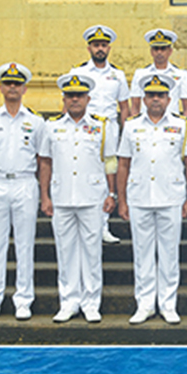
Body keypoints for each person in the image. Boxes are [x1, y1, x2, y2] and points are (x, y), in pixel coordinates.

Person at [117, 73, 187, 325]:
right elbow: (123, 164)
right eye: (151, 95)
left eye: (160, 95)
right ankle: (144, 304)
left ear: (168, 99)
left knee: (169, 254)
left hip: (171, 197)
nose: (155, 99)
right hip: (139, 196)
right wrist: (121, 200)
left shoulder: (182, 125)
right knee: (142, 253)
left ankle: (167, 304)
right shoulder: (131, 125)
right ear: (143, 98)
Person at [38, 74, 119, 324]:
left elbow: (110, 162)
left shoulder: (102, 126)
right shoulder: (50, 126)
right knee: (66, 251)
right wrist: (44, 196)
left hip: (92, 197)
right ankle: (69, 301)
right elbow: (45, 162)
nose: (75, 99)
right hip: (62, 197)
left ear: (88, 99)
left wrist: (111, 193)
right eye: (70, 95)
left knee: (92, 252)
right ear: (63, 99)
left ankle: (91, 302)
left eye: (79, 95)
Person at [0, 62, 45, 321]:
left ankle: (23, 299)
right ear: (1, 87)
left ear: (25, 88)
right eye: (8, 83)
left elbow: (41, 156)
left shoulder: (36, 121)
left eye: (17, 83)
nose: (12, 87)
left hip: (25, 183)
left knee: (25, 245)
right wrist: (0, 170)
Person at [69, 24, 130, 244]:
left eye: (103, 45)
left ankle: (103, 225)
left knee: (108, 175)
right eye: (96, 45)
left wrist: (126, 134)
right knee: (85, 172)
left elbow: (124, 107)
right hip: (86, 127)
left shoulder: (118, 75)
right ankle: (83, 223)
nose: (100, 49)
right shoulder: (78, 73)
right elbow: (68, 103)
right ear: (89, 48)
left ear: (109, 48)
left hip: (110, 129)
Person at [130, 28, 187, 120]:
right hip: (146, 124)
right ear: (151, 52)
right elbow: (135, 106)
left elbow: (186, 107)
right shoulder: (141, 74)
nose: (159, 52)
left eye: (163, 49)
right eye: (156, 49)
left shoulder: (181, 74)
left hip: (171, 125)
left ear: (170, 51)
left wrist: (185, 128)